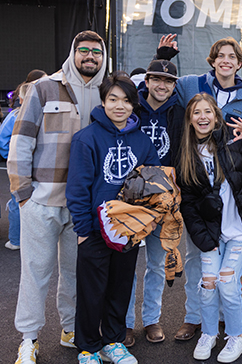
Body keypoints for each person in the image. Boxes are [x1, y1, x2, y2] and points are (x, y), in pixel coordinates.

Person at [8, 31, 107, 363]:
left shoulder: (107, 94)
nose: (90, 56)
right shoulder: (45, 87)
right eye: (84, 51)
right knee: (36, 273)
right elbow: (21, 141)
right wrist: (23, 194)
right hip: (42, 201)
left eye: (96, 51)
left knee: (76, 274)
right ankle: (28, 339)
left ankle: (71, 330)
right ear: (73, 53)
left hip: (83, 206)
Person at [166, 36, 242, 341]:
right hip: (200, 194)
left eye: (232, 56)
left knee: (227, 269)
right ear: (213, 60)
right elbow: (157, 85)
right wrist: (163, 55)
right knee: (198, 260)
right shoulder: (192, 84)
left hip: (229, 199)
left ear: (239, 62)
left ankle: (223, 318)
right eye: (220, 55)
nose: (225, 60)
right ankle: (194, 317)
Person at [178, 93, 242, 362]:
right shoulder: (186, 153)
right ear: (190, 119)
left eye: (208, 112)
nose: (203, 117)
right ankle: (209, 333)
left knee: (226, 280)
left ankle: (236, 336)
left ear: (216, 115)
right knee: (209, 283)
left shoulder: (233, 138)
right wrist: (202, 238)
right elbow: (187, 202)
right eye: (197, 113)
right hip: (212, 232)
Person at [66, 74, 160, 364]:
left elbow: (153, 182)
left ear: (134, 104)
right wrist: (83, 228)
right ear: (103, 102)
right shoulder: (86, 139)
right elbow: (78, 187)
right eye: (113, 99)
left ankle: (114, 341)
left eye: (126, 100)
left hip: (128, 230)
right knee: (91, 291)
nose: (120, 106)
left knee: (120, 288)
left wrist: (144, 221)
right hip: (94, 231)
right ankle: (88, 347)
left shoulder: (143, 142)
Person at [125, 59, 185, 347]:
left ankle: (151, 319)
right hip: (132, 198)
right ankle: (124, 323)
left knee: (156, 265)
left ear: (174, 85)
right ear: (146, 82)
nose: (162, 85)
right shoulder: (131, 108)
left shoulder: (180, 113)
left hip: (163, 200)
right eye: (156, 79)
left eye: (168, 81)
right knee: (125, 264)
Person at [1, 82, 33, 250]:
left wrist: (9, 156)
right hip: (36, 166)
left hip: (17, 165)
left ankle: (15, 240)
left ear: (20, 98)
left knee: (17, 200)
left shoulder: (14, 115)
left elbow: (2, 140)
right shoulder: (41, 114)